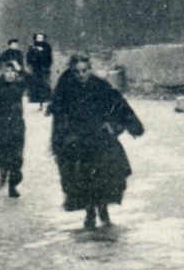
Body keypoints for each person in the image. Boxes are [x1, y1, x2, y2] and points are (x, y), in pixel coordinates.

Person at [49, 53, 144, 230]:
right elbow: (59, 117)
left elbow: (119, 104)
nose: (81, 75)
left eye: (84, 70)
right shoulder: (66, 88)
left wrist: (129, 125)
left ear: (90, 70)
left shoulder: (100, 86)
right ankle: (90, 212)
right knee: (83, 177)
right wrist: (60, 140)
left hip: (100, 138)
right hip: (79, 140)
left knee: (106, 175)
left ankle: (103, 209)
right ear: (72, 72)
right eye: (77, 72)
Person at [0, 62, 25, 198]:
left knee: (17, 156)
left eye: (12, 71)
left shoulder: (19, 86)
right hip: (2, 125)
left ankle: (12, 185)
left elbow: (28, 79)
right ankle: (3, 173)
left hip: (18, 125)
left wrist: (20, 69)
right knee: (3, 153)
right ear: (2, 74)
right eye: (6, 71)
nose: (9, 74)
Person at [26, 32, 53, 107]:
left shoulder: (47, 46)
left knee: (45, 83)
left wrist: (47, 64)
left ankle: (45, 99)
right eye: (38, 38)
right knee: (35, 82)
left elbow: (49, 57)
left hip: (44, 67)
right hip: (35, 67)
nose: (39, 39)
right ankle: (35, 99)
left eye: (41, 38)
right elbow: (29, 57)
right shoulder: (32, 46)